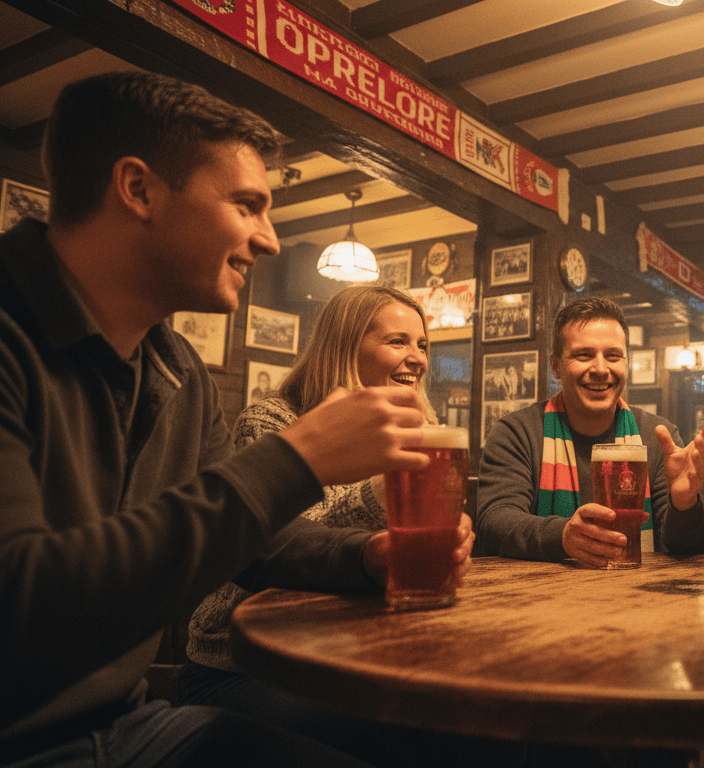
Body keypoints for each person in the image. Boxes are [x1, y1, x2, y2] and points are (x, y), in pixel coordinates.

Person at [0, 72, 438, 767]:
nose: (268, 239)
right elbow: (23, 603)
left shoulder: (177, 369)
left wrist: (365, 558)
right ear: (138, 189)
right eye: (247, 205)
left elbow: (253, 545)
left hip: (124, 726)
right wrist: (297, 459)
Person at [175, 285, 487, 767]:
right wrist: (374, 500)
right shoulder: (274, 420)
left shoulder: (422, 427)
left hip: (364, 656)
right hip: (250, 664)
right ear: (345, 345)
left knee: (479, 732)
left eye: (422, 345)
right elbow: (278, 545)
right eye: (397, 342)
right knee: (431, 741)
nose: (417, 358)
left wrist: (450, 536)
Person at [475, 297, 704, 565]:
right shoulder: (517, 432)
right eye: (584, 355)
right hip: (541, 598)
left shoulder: (658, 436)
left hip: (638, 596)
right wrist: (563, 536)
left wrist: (684, 504)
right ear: (555, 366)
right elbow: (495, 523)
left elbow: (689, 547)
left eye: (613, 356)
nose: (601, 369)